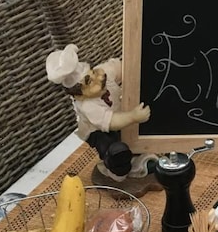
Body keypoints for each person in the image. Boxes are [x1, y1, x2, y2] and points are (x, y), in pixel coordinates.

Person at [46, 45, 157, 181]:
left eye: (93, 72)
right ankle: (118, 167)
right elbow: (112, 122)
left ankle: (144, 154)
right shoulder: (88, 106)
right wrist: (133, 116)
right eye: (89, 81)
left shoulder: (102, 74)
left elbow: (119, 67)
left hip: (120, 115)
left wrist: (133, 66)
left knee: (136, 130)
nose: (98, 78)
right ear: (79, 95)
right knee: (113, 147)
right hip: (99, 130)